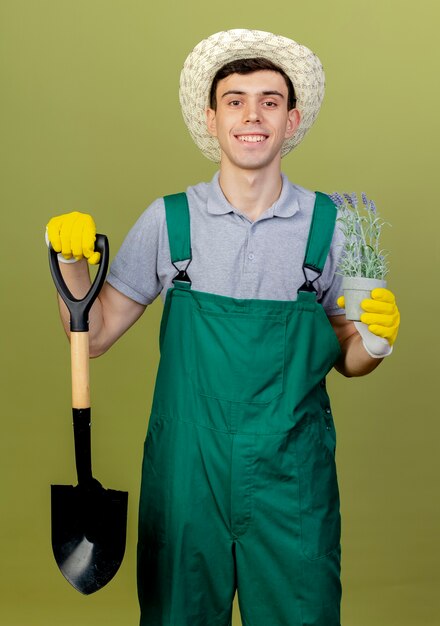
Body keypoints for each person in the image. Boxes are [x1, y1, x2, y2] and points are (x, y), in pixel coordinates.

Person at [46, 29, 400, 626]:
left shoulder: (332, 226)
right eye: (234, 100)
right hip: (188, 479)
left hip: (291, 480)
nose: (251, 115)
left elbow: (348, 355)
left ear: (292, 119)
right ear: (212, 120)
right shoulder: (169, 221)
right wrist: (71, 261)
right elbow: (95, 332)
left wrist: (375, 343)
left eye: (269, 100)